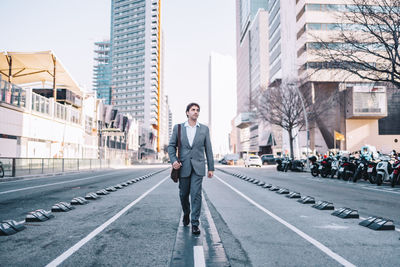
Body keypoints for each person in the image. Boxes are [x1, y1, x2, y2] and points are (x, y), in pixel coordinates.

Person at [168, 103, 214, 235]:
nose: (196, 112)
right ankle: (186, 213)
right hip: (183, 167)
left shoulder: (204, 129)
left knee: (196, 195)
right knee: (183, 195)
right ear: (187, 112)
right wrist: (173, 161)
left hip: (198, 167)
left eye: (197, 110)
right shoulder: (178, 128)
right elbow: (171, 146)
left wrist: (211, 168)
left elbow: (208, 149)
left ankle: (195, 223)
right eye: (193, 110)